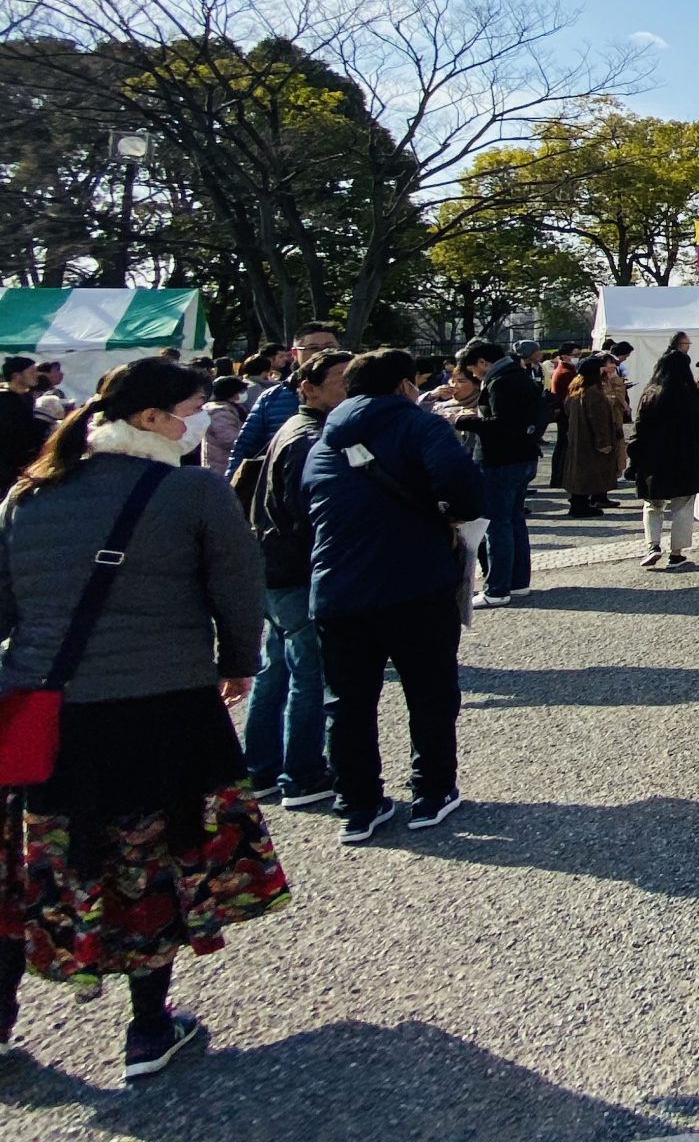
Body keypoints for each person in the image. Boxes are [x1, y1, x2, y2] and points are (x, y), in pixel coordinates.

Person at [0, 358, 286, 1080]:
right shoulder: (190, 491)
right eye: (191, 407)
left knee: (36, 863)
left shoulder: (28, 494)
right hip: (161, 702)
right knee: (152, 858)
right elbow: (237, 583)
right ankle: (148, 1029)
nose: (200, 418)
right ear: (153, 419)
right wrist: (239, 659)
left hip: (44, 707)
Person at [301, 349, 485, 844]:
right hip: (415, 581)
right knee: (429, 692)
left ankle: (357, 805)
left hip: (337, 587)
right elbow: (466, 491)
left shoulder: (322, 439)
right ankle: (432, 792)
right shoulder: (422, 427)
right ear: (406, 385)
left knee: (347, 702)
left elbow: (305, 509)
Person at [241, 347, 351, 813]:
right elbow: (311, 515)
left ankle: (261, 768)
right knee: (310, 673)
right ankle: (301, 774)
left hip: (273, 565)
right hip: (298, 569)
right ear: (307, 387)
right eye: (342, 380)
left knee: (278, 668)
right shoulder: (310, 437)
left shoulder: (297, 429)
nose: (351, 389)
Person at [453, 340, 544, 605]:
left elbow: (501, 425)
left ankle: (497, 589)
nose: (474, 374)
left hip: (500, 460)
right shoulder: (520, 375)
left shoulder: (500, 382)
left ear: (483, 362)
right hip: (524, 456)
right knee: (514, 520)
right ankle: (518, 583)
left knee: (497, 524)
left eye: (473, 369)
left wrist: (463, 419)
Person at [629, 347, 699, 570]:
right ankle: (677, 554)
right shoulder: (694, 396)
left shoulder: (650, 394)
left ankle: (652, 545)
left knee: (652, 505)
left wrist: (634, 457)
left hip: (654, 460)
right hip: (687, 458)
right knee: (683, 507)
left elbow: (639, 429)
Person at [227, 327, 340, 477]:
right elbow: (244, 447)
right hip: (281, 481)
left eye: (330, 347)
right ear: (294, 353)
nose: (322, 353)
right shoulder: (272, 397)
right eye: (313, 348)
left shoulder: (356, 393)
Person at [558, 353, 627, 519]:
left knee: (578, 472)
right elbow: (599, 419)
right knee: (587, 472)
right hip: (590, 440)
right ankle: (580, 506)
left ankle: (579, 503)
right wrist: (604, 442)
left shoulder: (575, 390)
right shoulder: (593, 392)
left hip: (577, 437)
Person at [0, 358, 47, 495]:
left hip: (25, 461)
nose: (36, 375)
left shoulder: (27, 398)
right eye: (31, 372)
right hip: (8, 463)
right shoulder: (5, 401)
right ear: (16, 376)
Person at [197, 376, 250, 473]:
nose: (244, 394)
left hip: (221, 463)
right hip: (222, 465)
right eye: (241, 391)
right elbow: (229, 440)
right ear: (232, 393)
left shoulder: (231, 408)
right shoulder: (220, 413)